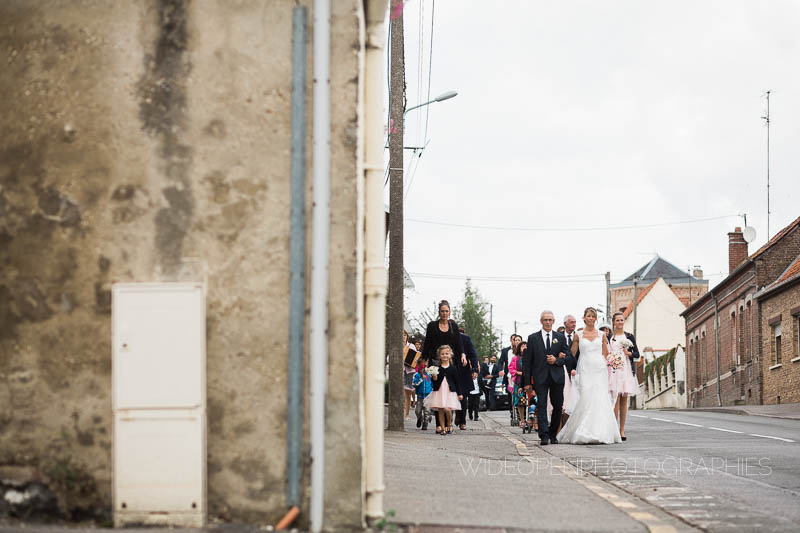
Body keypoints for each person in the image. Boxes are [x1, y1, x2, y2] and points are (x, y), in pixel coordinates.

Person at [557, 307, 622, 444]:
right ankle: (583, 430)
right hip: (585, 369)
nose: (591, 318)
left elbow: (605, 353)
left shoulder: (602, 334)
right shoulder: (578, 335)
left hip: (599, 369)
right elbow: (572, 354)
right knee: (586, 397)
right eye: (589, 316)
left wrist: (614, 361)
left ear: (596, 319)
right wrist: (562, 358)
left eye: (594, 316)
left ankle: (601, 431)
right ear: (584, 318)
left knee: (599, 398)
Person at [524, 311, 574, 446]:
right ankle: (544, 435)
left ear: (554, 321)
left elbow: (569, 358)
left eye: (550, 320)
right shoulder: (533, 338)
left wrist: (556, 360)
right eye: (545, 320)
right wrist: (527, 382)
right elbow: (527, 362)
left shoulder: (560, 337)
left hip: (557, 377)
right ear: (541, 321)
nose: (548, 322)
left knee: (558, 406)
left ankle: (553, 434)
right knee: (541, 405)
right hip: (540, 377)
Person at [608, 312, 640, 441]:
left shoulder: (629, 336)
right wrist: (611, 360)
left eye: (622, 320)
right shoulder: (610, 337)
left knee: (624, 401)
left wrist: (629, 353)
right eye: (618, 320)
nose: (620, 322)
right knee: (615, 400)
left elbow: (637, 353)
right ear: (614, 322)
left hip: (626, 370)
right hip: (614, 370)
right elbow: (606, 352)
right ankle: (614, 429)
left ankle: (622, 430)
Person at [425, 345, 463, 435]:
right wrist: (434, 377)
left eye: (447, 353)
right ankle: (443, 429)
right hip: (439, 391)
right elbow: (434, 382)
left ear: (450, 355)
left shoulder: (453, 368)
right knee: (440, 410)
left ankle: (449, 424)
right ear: (439, 356)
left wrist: (460, 393)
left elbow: (457, 382)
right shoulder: (436, 368)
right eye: (442, 354)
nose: (445, 356)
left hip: (450, 391)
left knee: (448, 409)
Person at [456, 328, 480, 430]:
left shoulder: (465, 339)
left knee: (463, 396)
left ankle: (462, 420)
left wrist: (474, 369)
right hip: (448, 369)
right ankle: (451, 419)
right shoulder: (445, 338)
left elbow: (473, 355)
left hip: (463, 370)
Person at [560, 314, 579, 430]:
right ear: (565, 323)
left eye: (575, 322)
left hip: (575, 372)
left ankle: (572, 426)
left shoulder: (579, 336)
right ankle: (562, 426)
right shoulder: (559, 337)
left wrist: (575, 369)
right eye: (571, 322)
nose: (574, 324)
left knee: (574, 400)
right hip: (561, 372)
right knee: (563, 401)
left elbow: (582, 354)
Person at [508, 341, 527, 428]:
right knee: (520, 401)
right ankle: (522, 420)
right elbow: (511, 368)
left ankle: (532, 420)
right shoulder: (515, 358)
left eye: (525, 346)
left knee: (531, 401)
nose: (524, 347)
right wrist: (517, 372)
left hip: (529, 381)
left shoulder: (531, 357)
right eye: (522, 346)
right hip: (519, 381)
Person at [402, 330, 419, 420]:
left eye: (405, 335)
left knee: (407, 394)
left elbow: (416, 358)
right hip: (400, 371)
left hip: (409, 371)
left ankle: (407, 414)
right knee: (401, 393)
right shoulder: (397, 346)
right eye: (402, 335)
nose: (403, 336)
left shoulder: (411, 346)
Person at [413, 361, 432, 430]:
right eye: (421, 368)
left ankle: (425, 423)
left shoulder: (429, 375)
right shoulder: (416, 375)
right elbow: (414, 384)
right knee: (417, 411)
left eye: (424, 367)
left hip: (428, 395)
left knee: (427, 411)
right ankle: (419, 418)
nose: (423, 370)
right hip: (420, 396)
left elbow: (431, 383)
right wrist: (421, 379)